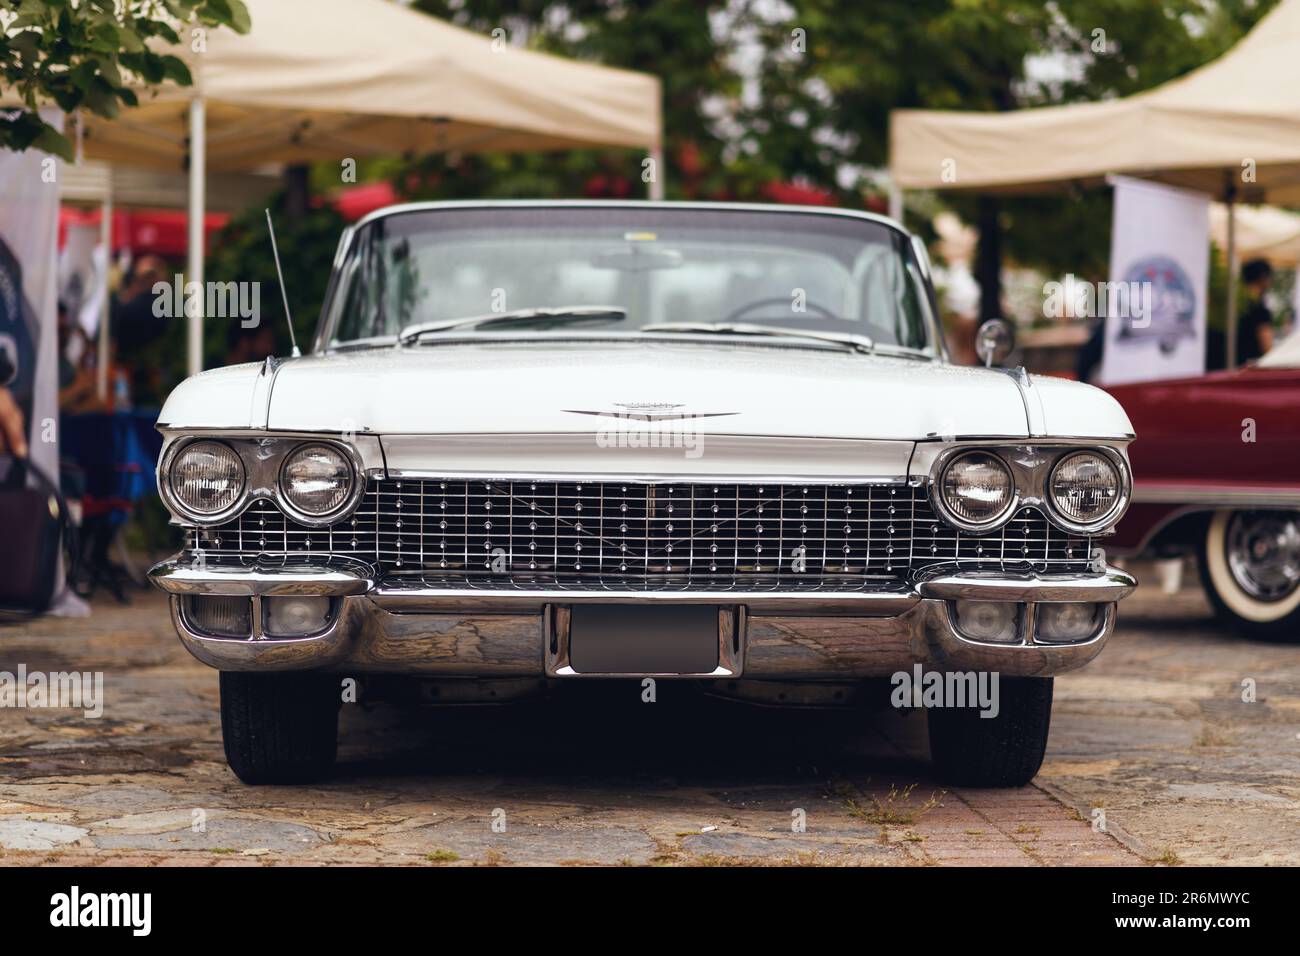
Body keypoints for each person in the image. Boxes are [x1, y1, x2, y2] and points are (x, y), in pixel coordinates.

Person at [1236, 258, 1275, 365]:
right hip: (1250, 370)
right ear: (1263, 277)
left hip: (1229, 367)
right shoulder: (1260, 311)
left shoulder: (1232, 306)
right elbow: (1267, 348)